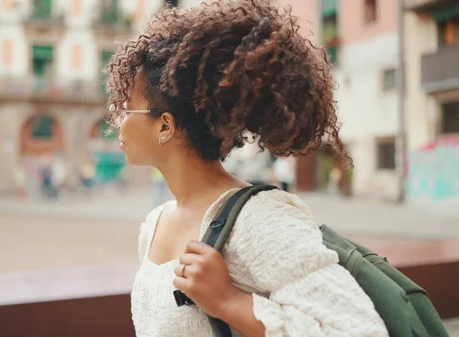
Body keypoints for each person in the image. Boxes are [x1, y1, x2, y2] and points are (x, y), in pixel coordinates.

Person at [104, 1, 387, 337]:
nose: (117, 122)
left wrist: (229, 302)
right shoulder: (154, 225)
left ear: (164, 126)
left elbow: (360, 330)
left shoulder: (258, 220)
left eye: (128, 108)